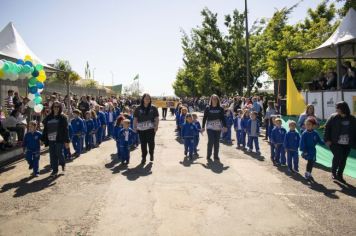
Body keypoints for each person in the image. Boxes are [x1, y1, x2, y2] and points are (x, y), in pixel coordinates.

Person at [324, 101, 356, 183]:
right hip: (335, 142)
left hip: (347, 143)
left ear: (343, 108)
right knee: (338, 156)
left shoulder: (352, 119)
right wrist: (327, 139)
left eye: (337, 108)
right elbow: (327, 128)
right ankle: (333, 173)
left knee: (343, 159)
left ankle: (340, 175)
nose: (336, 109)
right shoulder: (333, 117)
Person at [41, 101, 70, 176]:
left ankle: (63, 163)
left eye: (57, 107)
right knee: (52, 155)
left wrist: (67, 141)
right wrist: (42, 139)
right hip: (51, 139)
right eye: (54, 107)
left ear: (60, 108)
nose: (56, 108)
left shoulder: (63, 117)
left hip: (59, 139)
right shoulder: (48, 117)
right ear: (52, 108)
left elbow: (66, 130)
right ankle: (55, 170)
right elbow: (45, 129)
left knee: (59, 153)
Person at [133, 93, 159, 165]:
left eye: (148, 98)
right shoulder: (138, 108)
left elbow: (156, 118)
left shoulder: (153, 108)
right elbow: (135, 118)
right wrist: (134, 127)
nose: (147, 100)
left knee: (151, 143)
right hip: (141, 130)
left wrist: (156, 126)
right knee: (143, 144)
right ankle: (143, 157)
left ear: (150, 99)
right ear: (143, 99)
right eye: (146, 98)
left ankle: (151, 154)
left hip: (151, 129)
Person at [202, 94, 227, 162]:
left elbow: (223, 118)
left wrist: (225, 126)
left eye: (216, 99)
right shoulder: (208, 108)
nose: (214, 100)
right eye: (213, 99)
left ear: (218, 100)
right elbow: (204, 118)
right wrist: (203, 127)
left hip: (218, 127)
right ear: (211, 99)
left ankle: (216, 156)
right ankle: (208, 155)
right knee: (211, 141)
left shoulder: (220, 108)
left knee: (216, 142)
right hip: (209, 126)